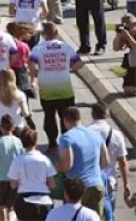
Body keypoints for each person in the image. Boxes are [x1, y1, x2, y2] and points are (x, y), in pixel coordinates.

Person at [29, 22, 83, 152]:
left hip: (47, 89)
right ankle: (67, 144)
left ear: (43, 34)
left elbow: (31, 62)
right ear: (57, 33)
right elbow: (79, 63)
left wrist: (36, 74)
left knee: (49, 116)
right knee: (66, 116)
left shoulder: (39, 48)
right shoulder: (65, 47)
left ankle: (52, 144)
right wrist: (68, 68)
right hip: (65, 89)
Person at [57, 106, 110, 218]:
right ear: (79, 118)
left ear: (65, 121)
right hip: (97, 185)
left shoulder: (66, 138)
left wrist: (56, 168)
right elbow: (106, 161)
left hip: (77, 190)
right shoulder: (95, 135)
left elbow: (67, 165)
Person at [8, 127, 56, 221]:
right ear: (36, 142)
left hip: (25, 201)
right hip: (45, 201)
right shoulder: (44, 160)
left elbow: (13, 185)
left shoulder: (18, 160)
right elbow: (52, 184)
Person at [0, 115, 25, 221]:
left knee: (0, 207)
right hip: (15, 179)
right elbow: (23, 158)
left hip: (2, 178)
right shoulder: (18, 142)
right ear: (13, 127)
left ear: (0, 127)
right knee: (11, 208)